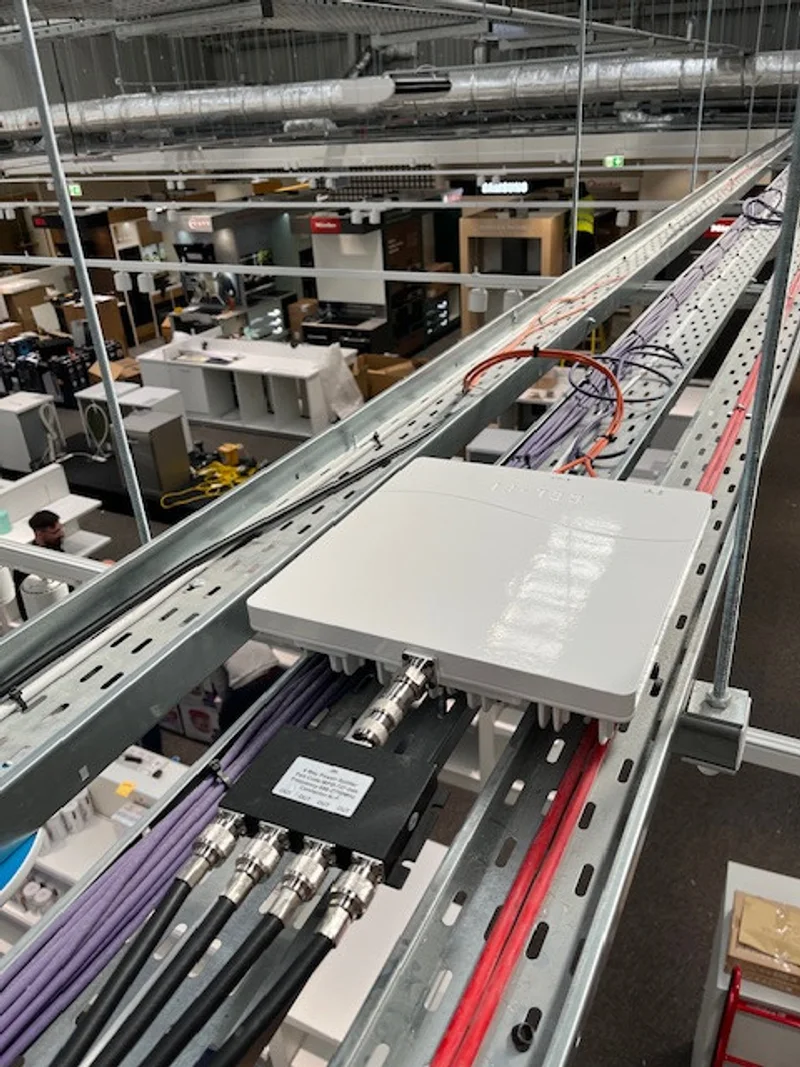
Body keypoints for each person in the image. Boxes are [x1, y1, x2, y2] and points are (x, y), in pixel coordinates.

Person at [13, 509, 66, 622]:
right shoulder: (26, 565)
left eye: (61, 528)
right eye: (55, 532)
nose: (62, 533)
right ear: (39, 533)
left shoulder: (55, 549)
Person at [574, 181, 597, 263]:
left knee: (577, 258)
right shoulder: (590, 199)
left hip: (576, 233)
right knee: (586, 258)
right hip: (587, 232)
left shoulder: (573, 200)